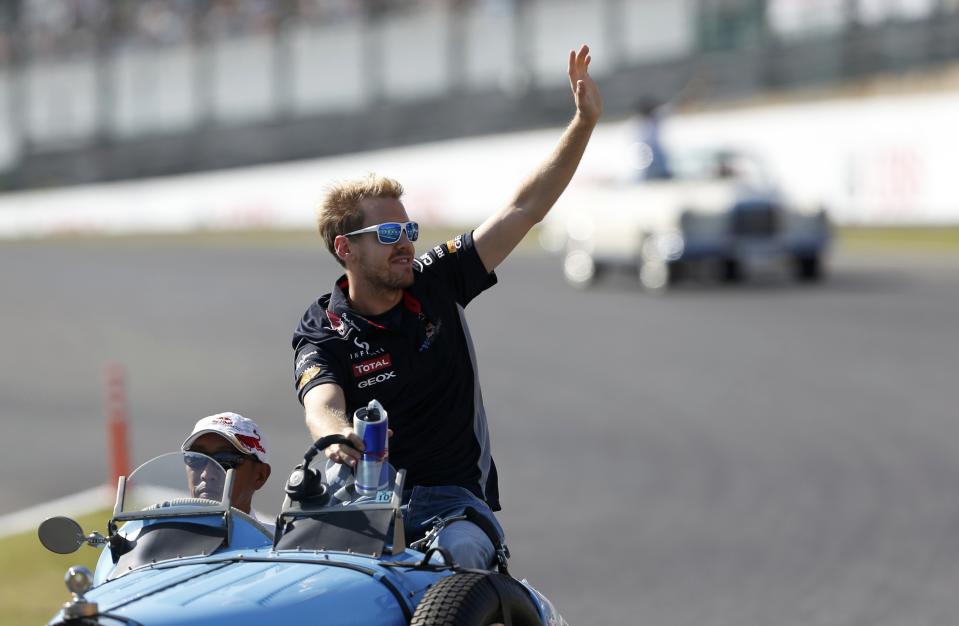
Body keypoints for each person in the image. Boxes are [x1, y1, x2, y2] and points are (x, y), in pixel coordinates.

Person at [291, 45, 603, 569]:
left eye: (409, 230)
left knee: (459, 556)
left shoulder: (436, 279)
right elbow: (320, 401)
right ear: (346, 249)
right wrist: (335, 434)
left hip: (451, 505)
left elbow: (524, 208)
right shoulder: (323, 324)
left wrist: (584, 123)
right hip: (359, 503)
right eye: (389, 233)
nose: (406, 243)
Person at [181, 412, 272, 518]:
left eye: (226, 459)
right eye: (196, 457)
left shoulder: (275, 535)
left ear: (260, 476)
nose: (206, 474)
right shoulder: (163, 532)